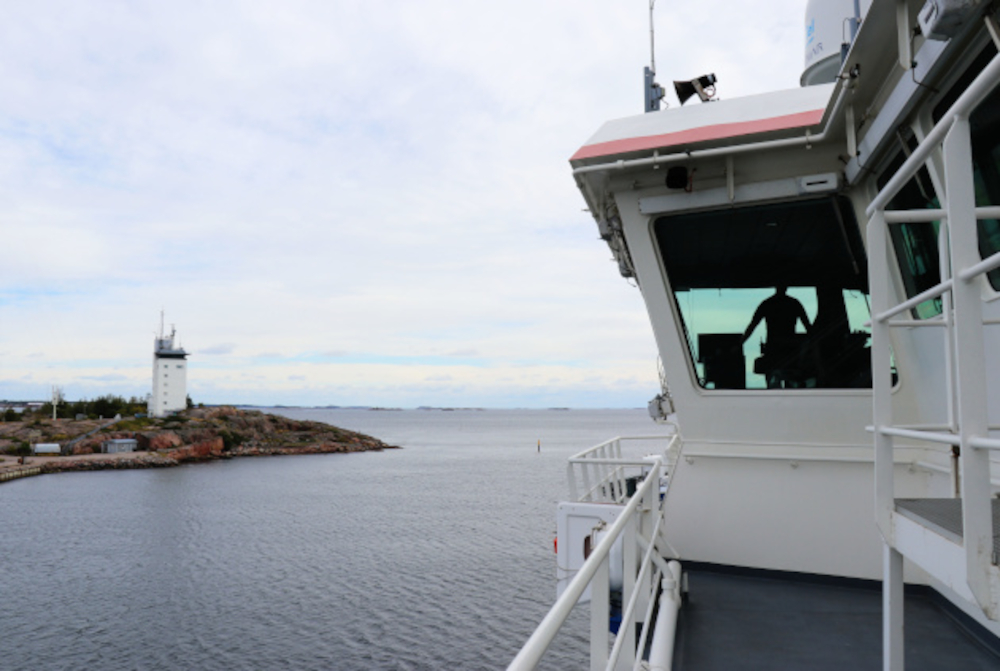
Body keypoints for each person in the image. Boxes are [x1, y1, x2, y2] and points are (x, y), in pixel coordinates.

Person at [742, 286, 811, 387]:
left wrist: (739, 343)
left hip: (774, 352)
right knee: (790, 385)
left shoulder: (767, 303)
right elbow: (809, 328)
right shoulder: (794, 303)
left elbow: (752, 326)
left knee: (774, 386)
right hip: (788, 353)